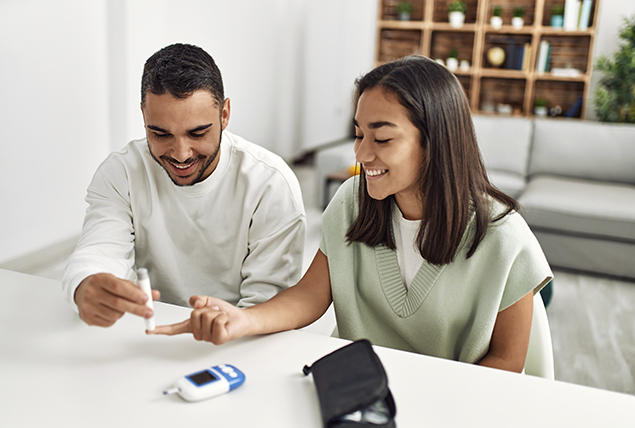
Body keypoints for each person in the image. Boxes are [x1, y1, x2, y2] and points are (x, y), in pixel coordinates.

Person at [151, 55, 552, 373]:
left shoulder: (502, 235)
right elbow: (310, 296)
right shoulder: (352, 202)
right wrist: (243, 320)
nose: (361, 154)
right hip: (356, 388)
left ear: (435, 141)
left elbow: (506, 363)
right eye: (358, 134)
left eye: (381, 138)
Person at [62, 43, 306, 328]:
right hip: (149, 333)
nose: (181, 153)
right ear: (143, 115)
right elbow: (97, 254)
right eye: (160, 133)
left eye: (198, 133)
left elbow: (268, 306)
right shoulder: (122, 173)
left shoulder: (270, 184)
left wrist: (225, 329)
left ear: (224, 114)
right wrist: (85, 285)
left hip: (237, 339)